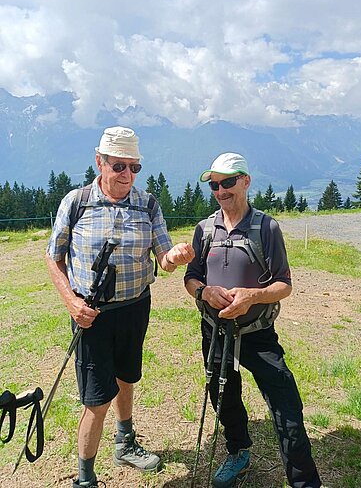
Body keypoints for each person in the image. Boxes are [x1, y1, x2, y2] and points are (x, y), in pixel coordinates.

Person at [46, 126, 194, 488]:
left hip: (135, 307)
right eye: (119, 166)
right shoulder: (76, 202)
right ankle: (85, 478)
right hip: (91, 315)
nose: (127, 174)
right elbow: (54, 257)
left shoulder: (148, 205)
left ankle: (125, 441)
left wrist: (173, 258)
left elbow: (163, 256)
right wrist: (71, 302)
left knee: (127, 376)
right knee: (96, 399)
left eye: (134, 167)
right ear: (100, 162)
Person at [184, 153, 322, 488]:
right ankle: (238, 451)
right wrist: (203, 292)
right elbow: (191, 277)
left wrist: (251, 296)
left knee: (286, 409)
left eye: (228, 182)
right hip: (216, 333)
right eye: (215, 185)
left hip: (257, 334)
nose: (221, 191)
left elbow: (284, 285)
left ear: (246, 181)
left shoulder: (266, 227)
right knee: (224, 397)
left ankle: (304, 482)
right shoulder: (204, 229)